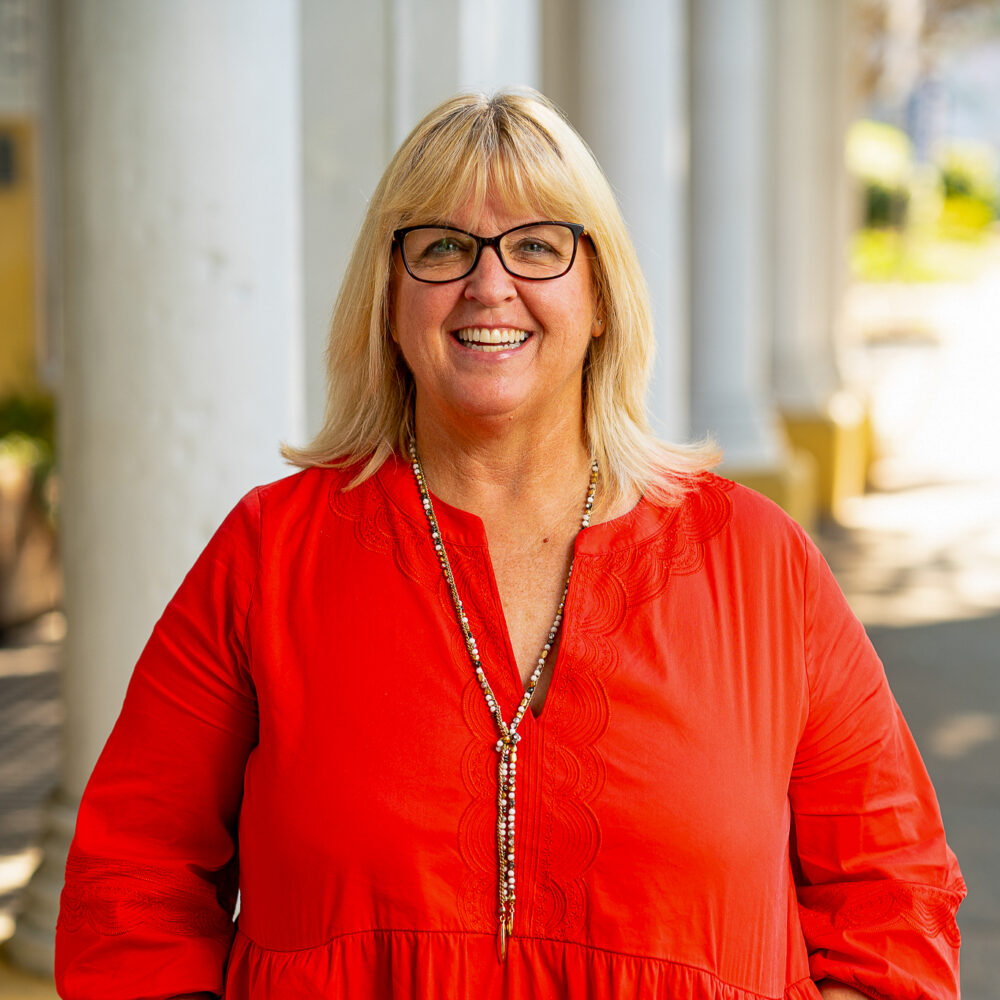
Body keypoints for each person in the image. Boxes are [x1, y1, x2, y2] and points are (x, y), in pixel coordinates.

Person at [55, 90, 964, 999]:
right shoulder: (269, 552)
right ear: (389, 297)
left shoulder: (758, 563)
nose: (489, 285)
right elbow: (130, 887)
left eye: (537, 246)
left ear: (601, 296)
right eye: (442, 247)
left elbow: (894, 894)